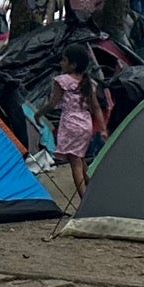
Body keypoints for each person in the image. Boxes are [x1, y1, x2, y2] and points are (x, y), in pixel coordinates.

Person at [46, 61, 99, 193]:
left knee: (74, 161)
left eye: (64, 60)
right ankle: (91, 187)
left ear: (73, 64)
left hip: (70, 124)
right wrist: (102, 128)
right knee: (80, 157)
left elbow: (53, 103)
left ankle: (83, 198)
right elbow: (95, 107)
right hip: (86, 123)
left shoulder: (62, 81)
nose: (62, 63)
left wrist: (39, 114)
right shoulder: (89, 82)